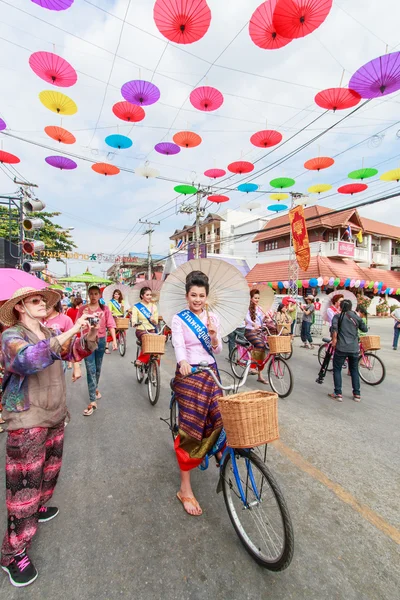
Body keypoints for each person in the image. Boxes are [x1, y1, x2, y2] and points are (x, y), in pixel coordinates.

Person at [0, 286, 98, 587]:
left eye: (43, 300)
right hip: (27, 418)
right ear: (19, 307)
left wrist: (88, 333)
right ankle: (12, 553)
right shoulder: (10, 337)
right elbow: (29, 360)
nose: (42, 303)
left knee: (49, 471)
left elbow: (75, 352)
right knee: (23, 488)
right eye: (35, 300)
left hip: (55, 413)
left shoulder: (47, 330)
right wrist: (66, 335)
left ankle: (40, 506)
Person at [171, 271, 223, 517]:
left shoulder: (213, 317)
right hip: (189, 373)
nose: (198, 299)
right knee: (190, 429)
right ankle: (185, 489)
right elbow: (179, 344)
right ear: (187, 295)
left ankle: (214, 448)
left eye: (202, 295)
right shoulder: (179, 319)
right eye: (194, 295)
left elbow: (218, 349)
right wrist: (182, 361)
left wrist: (213, 335)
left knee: (222, 416)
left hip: (210, 372)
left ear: (207, 296)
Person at [76, 285, 117, 416]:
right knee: (90, 369)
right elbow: (77, 325)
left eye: (96, 294)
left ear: (99, 295)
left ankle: (95, 388)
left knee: (98, 368)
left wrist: (114, 341)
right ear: (88, 295)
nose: (93, 296)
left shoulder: (104, 309)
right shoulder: (83, 309)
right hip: (88, 342)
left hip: (101, 341)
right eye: (91, 294)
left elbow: (111, 325)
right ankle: (92, 400)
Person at [329, 299, 368, 403]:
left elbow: (334, 329)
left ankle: (338, 393)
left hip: (341, 347)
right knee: (354, 370)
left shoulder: (338, 317)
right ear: (351, 307)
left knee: (337, 369)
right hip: (354, 348)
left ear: (341, 307)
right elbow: (365, 329)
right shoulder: (356, 317)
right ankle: (357, 394)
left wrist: (334, 340)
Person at [244, 289, 268, 384]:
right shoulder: (247, 308)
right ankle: (252, 367)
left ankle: (260, 376)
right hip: (249, 331)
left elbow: (260, 321)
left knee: (262, 351)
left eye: (258, 298)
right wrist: (253, 324)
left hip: (258, 331)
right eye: (255, 298)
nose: (257, 299)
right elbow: (246, 318)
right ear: (251, 298)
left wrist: (265, 317)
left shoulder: (259, 308)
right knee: (259, 345)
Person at [131, 287, 158, 367]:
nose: (149, 296)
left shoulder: (154, 306)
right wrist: (135, 323)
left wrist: (153, 320)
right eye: (147, 295)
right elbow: (134, 319)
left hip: (152, 329)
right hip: (141, 330)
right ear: (142, 296)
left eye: (150, 295)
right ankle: (140, 359)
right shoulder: (136, 307)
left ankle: (154, 370)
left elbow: (156, 322)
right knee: (148, 340)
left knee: (157, 347)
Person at [66, 297, 84, 376]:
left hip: (69, 330)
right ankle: (77, 361)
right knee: (76, 347)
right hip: (77, 330)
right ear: (80, 304)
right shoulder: (81, 311)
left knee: (69, 347)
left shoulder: (69, 310)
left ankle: (69, 364)